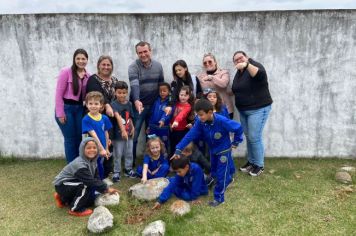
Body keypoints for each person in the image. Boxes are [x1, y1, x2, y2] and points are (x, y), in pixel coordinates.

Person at [172, 99, 243, 207]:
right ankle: (228, 179)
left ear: (210, 112)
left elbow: (238, 128)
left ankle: (219, 198)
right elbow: (189, 135)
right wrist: (178, 149)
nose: (199, 118)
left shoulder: (221, 120)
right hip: (212, 151)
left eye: (201, 115)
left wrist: (236, 141)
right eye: (198, 115)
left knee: (220, 175)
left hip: (223, 151)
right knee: (213, 171)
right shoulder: (200, 123)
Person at [53, 137, 119, 217]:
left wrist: (103, 190)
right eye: (88, 148)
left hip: (72, 183)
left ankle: (63, 198)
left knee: (89, 200)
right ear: (82, 149)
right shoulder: (79, 164)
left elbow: (96, 178)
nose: (92, 150)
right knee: (85, 185)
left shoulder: (93, 162)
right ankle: (75, 209)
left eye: (94, 147)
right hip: (62, 185)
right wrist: (107, 188)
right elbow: (90, 181)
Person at [231, 51, 273, 177]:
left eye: (241, 58)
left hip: (258, 109)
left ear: (247, 57)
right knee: (249, 136)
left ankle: (259, 165)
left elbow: (259, 75)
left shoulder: (254, 66)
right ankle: (251, 162)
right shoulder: (239, 72)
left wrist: (247, 64)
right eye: (236, 60)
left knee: (254, 137)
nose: (238, 60)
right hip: (244, 110)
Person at [128, 41, 165, 166]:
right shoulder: (133, 67)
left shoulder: (158, 66)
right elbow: (134, 85)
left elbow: (162, 86)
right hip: (138, 106)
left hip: (154, 106)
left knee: (152, 135)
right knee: (134, 134)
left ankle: (152, 160)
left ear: (150, 51)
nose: (143, 54)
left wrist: (163, 104)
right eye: (140, 52)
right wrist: (137, 100)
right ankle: (131, 162)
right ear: (137, 53)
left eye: (145, 51)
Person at [86, 55, 120, 178]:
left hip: (110, 119)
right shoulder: (93, 79)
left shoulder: (115, 80)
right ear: (98, 66)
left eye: (108, 65)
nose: (106, 67)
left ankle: (107, 171)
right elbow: (97, 95)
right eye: (103, 64)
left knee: (109, 142)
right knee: (96, 143)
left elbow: (119, 98)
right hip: (96, 118)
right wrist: (107, 105)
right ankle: (94, 171)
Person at [55, 49, 90, 163]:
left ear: (87, 60)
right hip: (66, 108)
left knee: (80, 138)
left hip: (79, 109)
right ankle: (72, 167)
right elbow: (58, 94)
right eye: (78, 58)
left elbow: (87, 96)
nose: (81, 61)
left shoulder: (88, 76)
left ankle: (79, 163)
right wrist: (60, 113)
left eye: (83, 59)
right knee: (70, 139)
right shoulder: (66, 72)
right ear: (74, 59)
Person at [82, 92, 112, 180]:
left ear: (101, 105)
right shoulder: (86, 119)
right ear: (86, 105)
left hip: (102, 146)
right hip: (93, 148)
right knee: (94, 166)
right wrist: (101, 149)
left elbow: (106, 133)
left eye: (96, 103)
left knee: (100, 164)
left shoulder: (104, 118)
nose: (93, 106)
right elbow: (94, 135)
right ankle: (96, 184)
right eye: (90, 103)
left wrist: (106, 148)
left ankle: (101, 182)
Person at [110, 81, 136, 182]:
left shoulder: (129, 104)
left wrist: (132, 127)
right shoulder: (114, 104)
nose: (122, 95)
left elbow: (130, 117)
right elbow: (117, 117)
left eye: (124, 92)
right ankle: (116, 171)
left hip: (129, 133)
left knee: (129, 152)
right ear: (115, 92)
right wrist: (123, 131)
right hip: (118, 135)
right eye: (119, 92)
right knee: (118, 153)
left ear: (127, 92)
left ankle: (128, 169)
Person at [197, 53, 234, 118]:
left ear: (215, 62)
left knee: (226, 127)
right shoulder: (200, 76)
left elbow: (223, 84)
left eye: (210, 62)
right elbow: (202, 92)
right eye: (205, 63)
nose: (207, 64)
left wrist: (211, 77)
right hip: (209, 110)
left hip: (225, 109)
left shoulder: (224, 72)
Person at [147, 82, 172, 151]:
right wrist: (149, 126)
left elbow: (168, 115)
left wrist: (163, 120)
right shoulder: (156, 101)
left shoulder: (169, 103)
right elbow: (151, 114)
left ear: (169, 92)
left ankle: (164, 160)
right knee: (152, 144)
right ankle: (152, 160)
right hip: (153, 127)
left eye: (164, 91)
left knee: (163, 144)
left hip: (163, 128)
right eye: (160, 91)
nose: (162, 93)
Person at [169, 86, 193, 157]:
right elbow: (171, 114)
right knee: (172, 147)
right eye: (181, 95)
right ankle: (172, 164)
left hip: (181, 131)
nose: (183, 97)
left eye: (185, 95)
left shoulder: (188, 106)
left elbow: (182, 114)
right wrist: (170, 123)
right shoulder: (176, 104)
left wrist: (176, 121)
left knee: (180, 148)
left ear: (189, 96)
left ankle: (180, 163)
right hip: (172, 130)